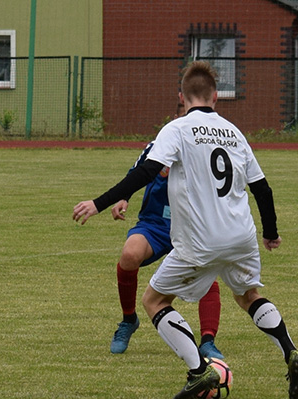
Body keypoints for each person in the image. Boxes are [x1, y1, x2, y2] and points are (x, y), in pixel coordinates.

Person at [73, 61, 298, 399]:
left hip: (200, 241)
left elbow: (146, 172)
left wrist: (99, 202)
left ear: (181, 96)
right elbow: (262, 188)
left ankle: (199, 370)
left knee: (154, 301)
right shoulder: (234, 132)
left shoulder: (178, 128)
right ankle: (290, 351)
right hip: (241, 235)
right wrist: (270, 232)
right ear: (216, 97)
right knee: (248, 296)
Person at [75, 105, 224, 361]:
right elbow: (138, 173)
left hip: (191, 226)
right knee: (129, 254)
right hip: (155, 224)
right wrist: (123, 197)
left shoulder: (204, 150)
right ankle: (128, 320)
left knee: (206, 273)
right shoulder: (159, 144)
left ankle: (208, 340)